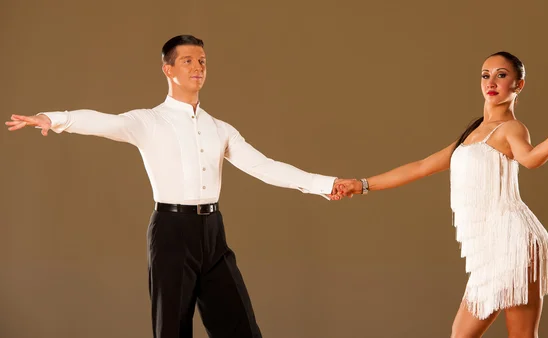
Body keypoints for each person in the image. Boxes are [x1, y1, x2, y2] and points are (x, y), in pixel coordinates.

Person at [5, 35, 347, 338]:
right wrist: (54, 118)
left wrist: (325, 184)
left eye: (202, 62)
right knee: (171, 329)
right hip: (171, 232)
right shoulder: (147, 121)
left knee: (241, 328)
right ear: (168, 69)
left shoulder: (220, 128)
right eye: (187, 61)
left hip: (213, 233)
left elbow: (264, 167)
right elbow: (103, 122)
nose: (197, 67)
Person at [334, 51, 548, 337]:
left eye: (501, 75)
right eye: (485, 75)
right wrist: (362, 184)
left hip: (514, 243)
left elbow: (528, 158)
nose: (491, 81)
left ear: (519, 85)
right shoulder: (471, 135)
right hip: (489, 248)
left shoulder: (511, 129)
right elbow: (421, 167)